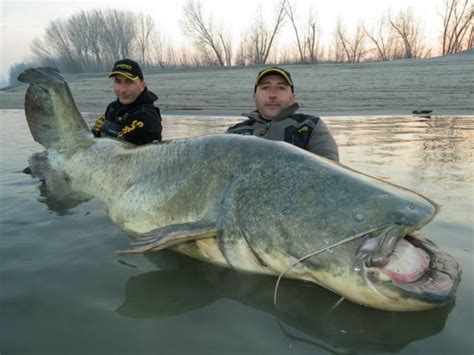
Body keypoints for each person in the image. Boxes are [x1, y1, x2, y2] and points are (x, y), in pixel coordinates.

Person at [227, 67, 339, 162]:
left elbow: (331, 172)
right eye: (265, 88)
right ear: (254, 97)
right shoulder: (234, 133)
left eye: (281, 88)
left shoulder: (311, 126)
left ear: (292, 98)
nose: (272, 95)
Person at [91, 59, 162, 145]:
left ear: (142, 86)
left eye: (129, 82)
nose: (123, 90)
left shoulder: (148, 117)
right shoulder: (112, 107)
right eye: (118, 81)